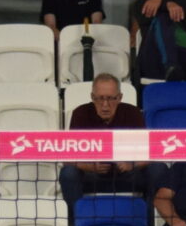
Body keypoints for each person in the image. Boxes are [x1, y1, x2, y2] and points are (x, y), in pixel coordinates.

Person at [60, 75, 148, 214]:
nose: (105, 105)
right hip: (91, 176)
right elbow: (68, 159)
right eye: (100, 98)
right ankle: (77, 220)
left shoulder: (133, 113)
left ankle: (148, 221)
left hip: (127, 175)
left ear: (119, 98)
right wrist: (90, 167)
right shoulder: (80, 114)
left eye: (111, 98)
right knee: (68, 173)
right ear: (92, 97)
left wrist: (131, 165)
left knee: (158, 169)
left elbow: (149, 154)